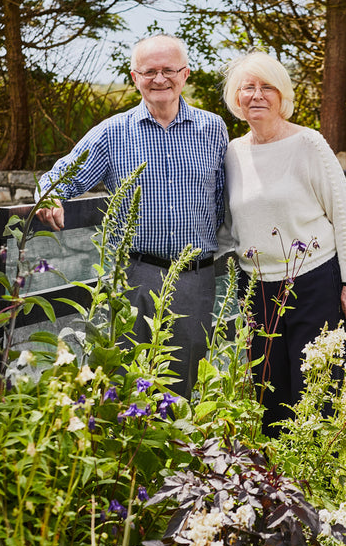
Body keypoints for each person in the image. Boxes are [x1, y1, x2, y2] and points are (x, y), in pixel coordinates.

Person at [36, 34, 229, 398]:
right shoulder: (112, 133)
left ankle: (181, 454)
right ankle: (125, 453)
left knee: (184, 382)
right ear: (134, 76)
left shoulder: (213, 129)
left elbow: (223, 199)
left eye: (168, 70)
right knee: (125, 381)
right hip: (133, 277)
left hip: (194, 278)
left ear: (185, 74)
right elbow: (59, 177)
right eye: (149, 71)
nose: (160, 79)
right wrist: (51, 197)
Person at [221, 50, 346, 437]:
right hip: (256, 289)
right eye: (246, 87)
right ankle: (279, 489)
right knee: (269, 392)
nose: (256, 95)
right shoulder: (233, 153)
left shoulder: (309, 144)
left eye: (266, 86)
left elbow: (345, 214)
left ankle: (316, 484)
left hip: (313, 281)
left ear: (282, 94)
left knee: (316, 387)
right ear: (236, 98)